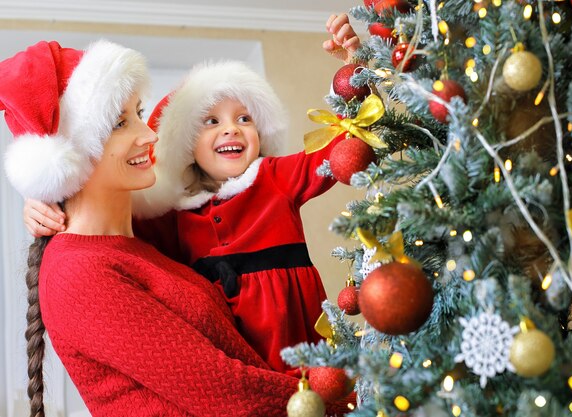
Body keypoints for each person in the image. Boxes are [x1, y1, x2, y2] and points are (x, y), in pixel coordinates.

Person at [1, 40, 351, 417]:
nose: (150, 136)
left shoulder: (144, 242)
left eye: (138, 114)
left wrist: (352, 78)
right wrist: (343, 400)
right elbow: (226, 391)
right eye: (121, 123)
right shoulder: (78, 272)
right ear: (71, 153)